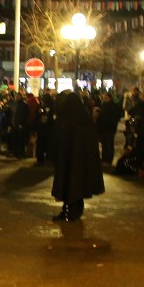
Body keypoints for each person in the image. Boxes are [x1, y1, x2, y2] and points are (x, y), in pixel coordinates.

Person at [49, 90, 104, 221]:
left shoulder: (64, 119)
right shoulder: (84, 119)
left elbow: (57, 140)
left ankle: (68, 211)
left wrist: (53, 155)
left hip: (67, 160)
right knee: (78, 186)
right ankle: (75, 210)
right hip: (82, 162)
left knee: (68, 185)